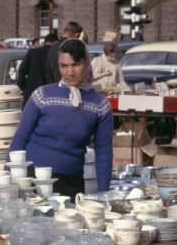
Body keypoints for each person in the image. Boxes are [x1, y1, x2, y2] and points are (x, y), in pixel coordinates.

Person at [9, 39, 113, 197]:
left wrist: (104, 194)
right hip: (31, 182)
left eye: (75, 65)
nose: (70, 72)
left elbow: (104, 152)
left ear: (86, 63)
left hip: (70, 184)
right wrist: (8, 178)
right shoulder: (41, 95)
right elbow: (20, 138)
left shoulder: (100, 105)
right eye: (64, 66)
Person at [18, 33, 58, 104]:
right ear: (55, 42)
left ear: (45, 42)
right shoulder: (55, 54)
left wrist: (24, 87)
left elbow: (22, 71)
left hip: (31, 92)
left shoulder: (32, 52)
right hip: (50, 93)